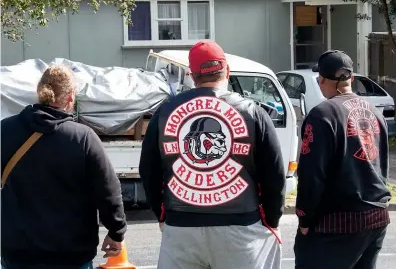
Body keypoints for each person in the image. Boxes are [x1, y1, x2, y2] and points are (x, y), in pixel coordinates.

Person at [139, 40, 286, 269]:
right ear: (227, 70)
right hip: (241, 227)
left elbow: (148, 170)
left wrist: (162, 214)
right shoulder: (252, 111)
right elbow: (274, 174)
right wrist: (272, 219)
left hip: (181, 227)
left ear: (191, 75)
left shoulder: (164, 112)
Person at [1, 65, 127, 269]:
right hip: (70, 254)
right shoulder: (82, 138)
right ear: (70, 98)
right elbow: (108, 191)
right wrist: (116, 232)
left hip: (18, 252)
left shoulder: (5, 131)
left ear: (39, 91)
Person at [294, 50, 392, 269]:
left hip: (338, 222)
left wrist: (304, 218)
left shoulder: (322, 115)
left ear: (321, 79)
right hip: (376, 215)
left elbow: (311, 174)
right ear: (352, 79)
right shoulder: (374, 111)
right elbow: (381, 162)